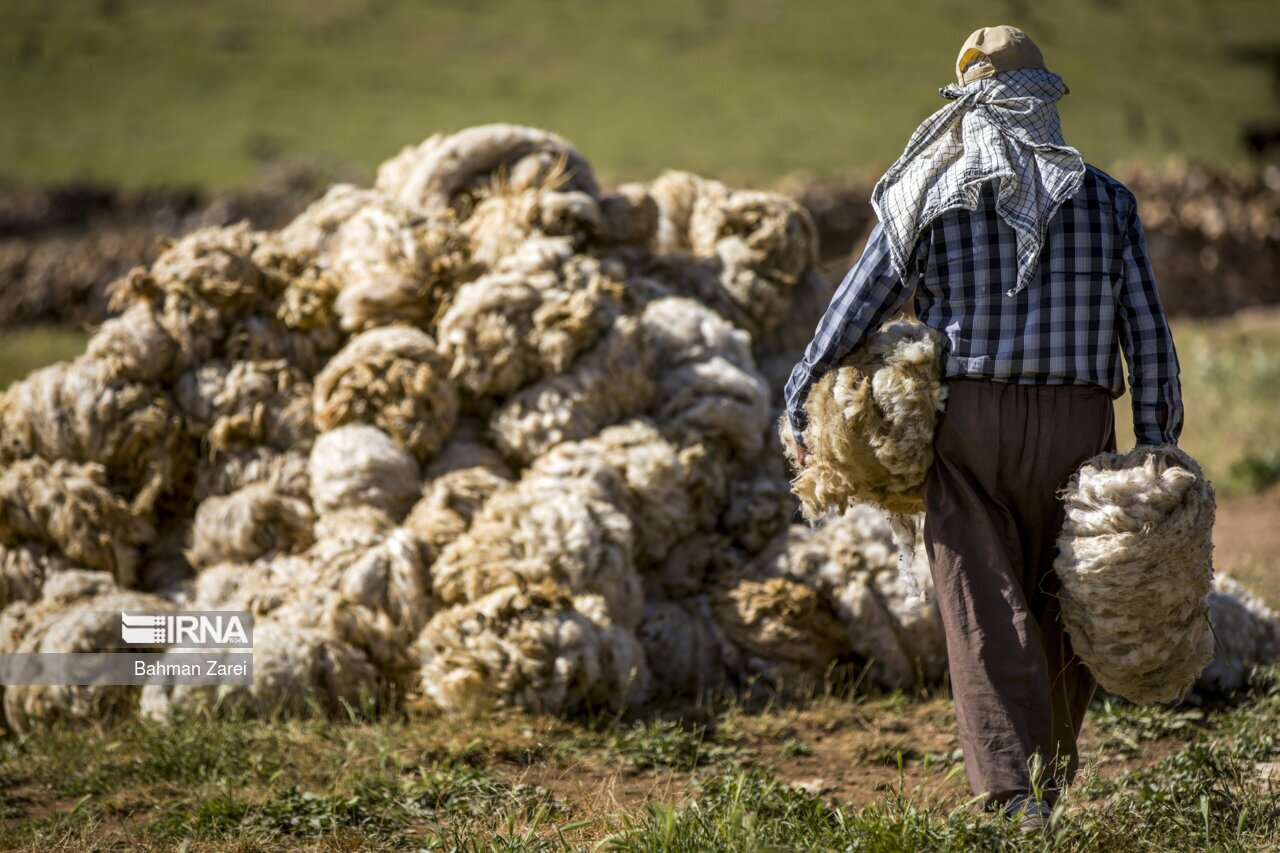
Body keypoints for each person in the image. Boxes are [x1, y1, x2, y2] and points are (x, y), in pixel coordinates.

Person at [784, 25, 1183, 831]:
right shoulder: (1106, 199)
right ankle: (1049, 779)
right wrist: (1156, 443)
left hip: (969, 422)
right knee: (1064, 596)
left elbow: (854, 307)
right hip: (1079, 423)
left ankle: (1012, 792)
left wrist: (800, 390)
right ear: (1043, 100)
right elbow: (1147, 331)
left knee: (979, 600)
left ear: (968, 105)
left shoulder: (929, 195)